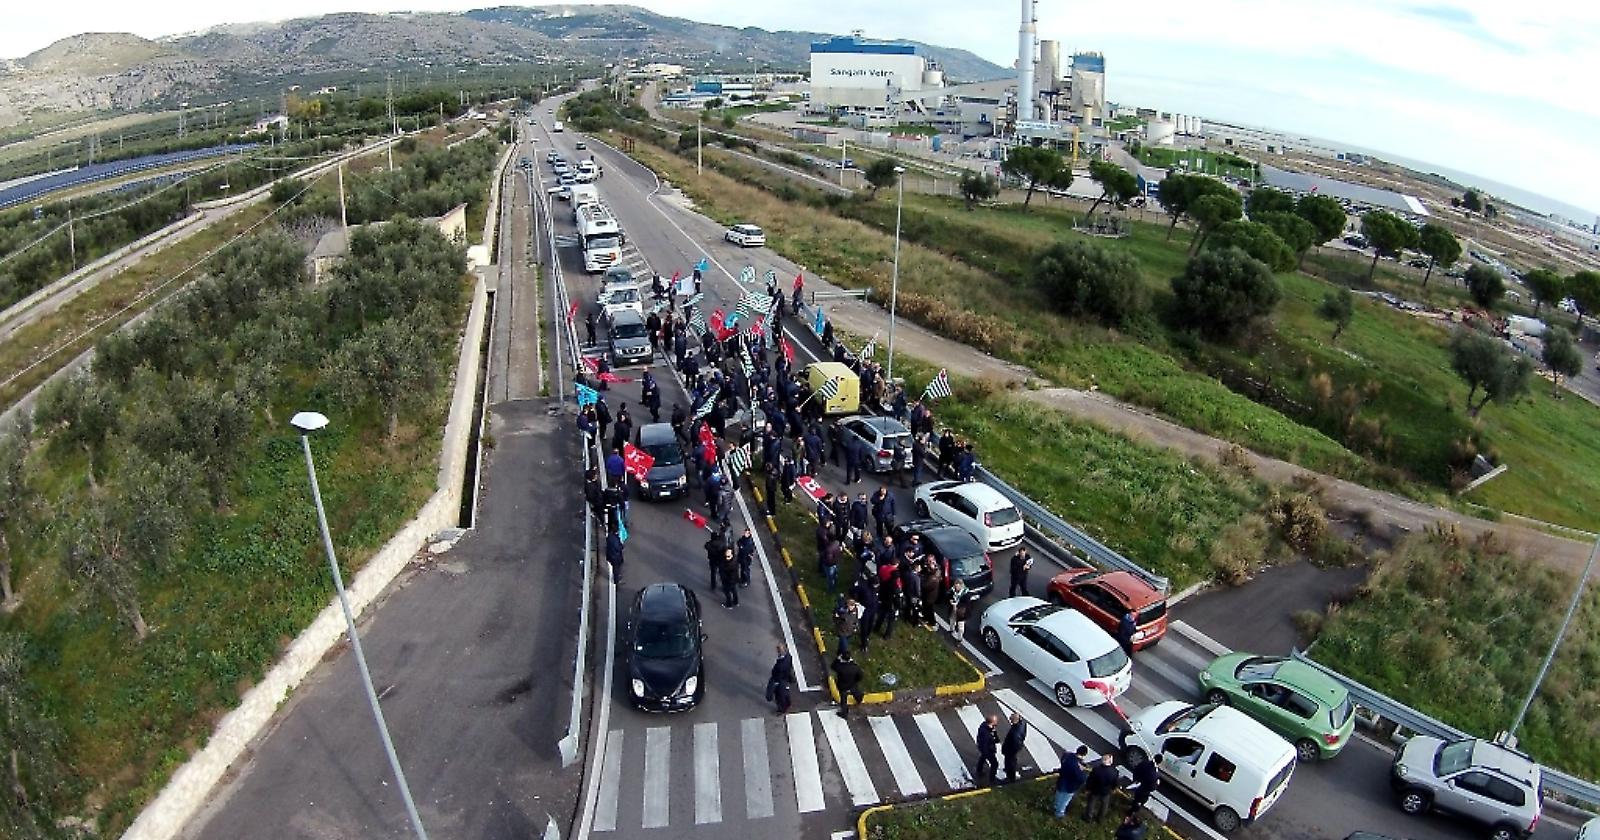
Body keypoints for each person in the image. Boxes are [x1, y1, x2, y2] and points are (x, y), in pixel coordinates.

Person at [1054, 745, 1089, 819]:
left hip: (1061, 780)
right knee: (1064, 801)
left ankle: (1056, 806)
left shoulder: (1067, 756)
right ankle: (1059, 813)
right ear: (1084, 755)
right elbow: (1081, 778)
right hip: (1070, 786)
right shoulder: (1077, 766)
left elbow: (1063, 760)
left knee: (1058, 795)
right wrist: (1083, 771)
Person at [1084, 753, 1120, 822]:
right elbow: (1115, 783)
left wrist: (1087, 788)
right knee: (1104, 806)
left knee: (1091, 804)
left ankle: (1088, 817)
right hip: (1106, 791)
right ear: (1110, 762)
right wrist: (1113, 789)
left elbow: (1090, 780)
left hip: (1095, 790)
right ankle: (1100, 819)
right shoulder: (1115, 772)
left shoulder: (1096, 770)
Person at [831, 650, 864, 718]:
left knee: (844, 701)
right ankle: (859, 699)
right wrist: (855, 681)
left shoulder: (840, 667)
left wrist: (837, 659)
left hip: (843, 687)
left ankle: (844, 713)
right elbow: (860, 676)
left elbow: (832, 666)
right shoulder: (855, 667)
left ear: (842, 658)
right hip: (852, 684)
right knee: (856, 693)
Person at [766, 644, 794, 714]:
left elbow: (776, 674)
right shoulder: (788, 657)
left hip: (780, 681)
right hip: (785, 678)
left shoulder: (780, 665)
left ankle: (782, 709)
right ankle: (788, 703)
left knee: (779, 696)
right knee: (785, 693)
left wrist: (775, 683)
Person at [1001, 711, 1028, 783]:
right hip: (1016, 747)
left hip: (1011, 749)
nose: (1010, 722)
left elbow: (1015, 743)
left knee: (1009, 761)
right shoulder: (1023, 723)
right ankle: (1010, 772)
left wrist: (1006, 750)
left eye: (1011, 721)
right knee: (1012, 760)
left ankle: (1010, 777)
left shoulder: (1015, 733)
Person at [974, 714, 999, 787]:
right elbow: (985, 743)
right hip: (987, 749)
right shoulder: (986, 733)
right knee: (995, 764)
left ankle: (979, 770)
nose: (997, 722)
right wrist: (987, 752)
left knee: (983, 757)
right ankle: (992, 779)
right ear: (992, 722)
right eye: (996, 721)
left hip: (984, 747)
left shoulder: (985, 726)